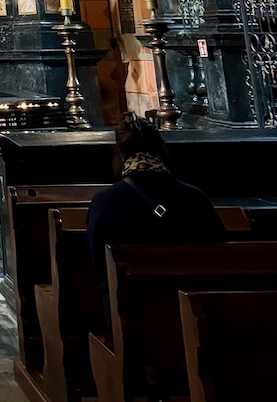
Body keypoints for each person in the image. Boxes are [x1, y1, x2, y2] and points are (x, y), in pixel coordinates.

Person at [87, 113, 225, 324]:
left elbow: (99, 268)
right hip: (198, 317)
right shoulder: (196, 198)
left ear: (120, 154)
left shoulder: (104, 202)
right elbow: (219, 257)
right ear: (162, 151)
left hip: (131, 319)